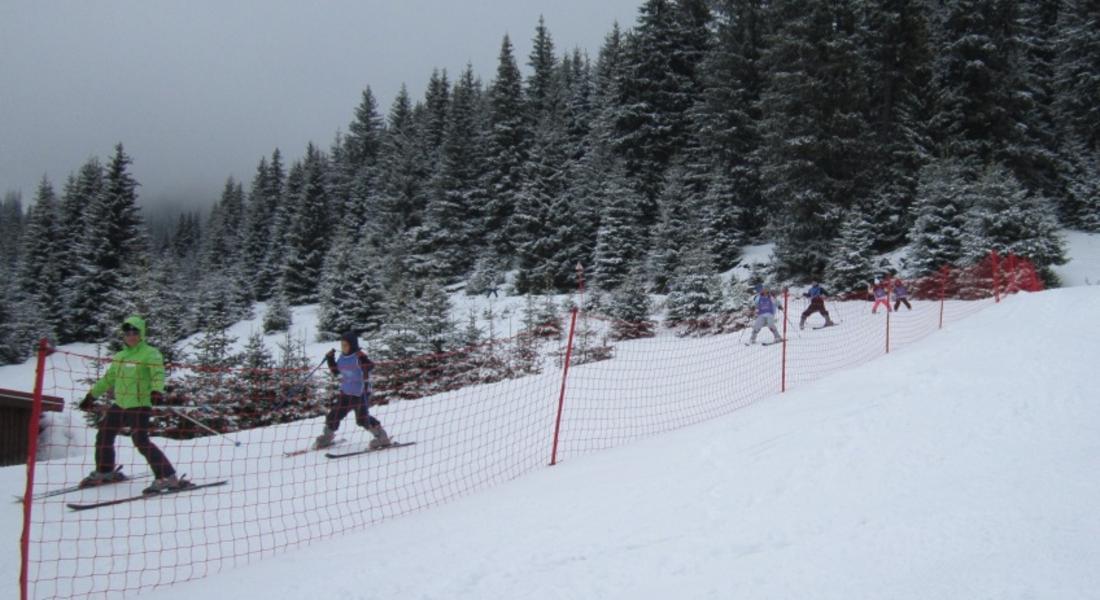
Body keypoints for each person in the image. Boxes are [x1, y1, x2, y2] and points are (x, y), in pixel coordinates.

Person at [79, 316, 187, 494]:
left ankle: (167, 477)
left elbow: (157, 374)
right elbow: (109, 379)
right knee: (104, 434)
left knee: (140, 441)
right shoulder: (120, 356)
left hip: (139, 404)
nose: (131, 336)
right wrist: (91, 396)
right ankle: (105, 471)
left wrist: (156, 391)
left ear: (141, 333)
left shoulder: (150, 353)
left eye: (135, 332)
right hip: (121, 403)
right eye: (127, 332)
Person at [314, 331, 391, 450]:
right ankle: (327, 438)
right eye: (342, 345)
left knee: (362, 419)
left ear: (352, 345)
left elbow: (370, 366)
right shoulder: (342, 357)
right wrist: (330, 359)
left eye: (346, 345)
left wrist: (363, 358)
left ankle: (382, 437)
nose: (343, 347)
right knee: (333, 415)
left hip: (360, 393)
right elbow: (336, 371)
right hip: (345, 392)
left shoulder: (357, 357)